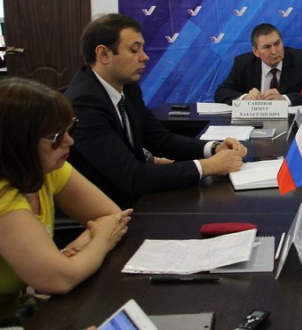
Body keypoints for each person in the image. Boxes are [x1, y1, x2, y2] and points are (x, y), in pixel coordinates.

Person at [65, 14, 247, 208]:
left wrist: (213, 148)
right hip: (108, 209)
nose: (144, 57)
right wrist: (209, 166)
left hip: (135, 199)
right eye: (134, 50)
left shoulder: (128, 88)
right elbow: (132, 176)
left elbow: (162, 140)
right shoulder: (83, 104)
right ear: (103, 54)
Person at [0, 78, 132, 325]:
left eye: (70, 128)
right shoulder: (3, 197)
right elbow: (60, 280)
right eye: (56, 136)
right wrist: (100, 241)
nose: (69, 141)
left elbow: (112, 216)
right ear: (17, 143)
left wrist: (67, 258)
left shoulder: (45, 168)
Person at [214, 23, 302, 106]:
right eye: (267, 47)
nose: (274, 51)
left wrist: (284, 99)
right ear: (256, 51)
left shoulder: (301, 60)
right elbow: (221, 93)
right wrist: (245, 98)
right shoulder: (243, 63)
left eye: (277, 43)